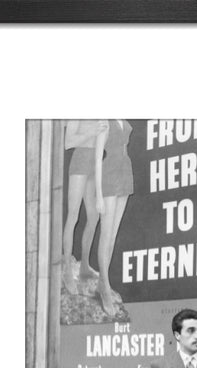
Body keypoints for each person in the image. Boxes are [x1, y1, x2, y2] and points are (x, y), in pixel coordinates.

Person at [94, 119, 134, 316]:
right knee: (106, 234)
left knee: (113, 236)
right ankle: (105, 287)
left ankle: (103, 282)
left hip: (125, 172)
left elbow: (124, 147)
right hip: (109, 174)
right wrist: (99, 195)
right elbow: (97, 158)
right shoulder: (104, 121)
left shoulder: (124, 121)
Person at [62, 120, 107, 295]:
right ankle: (67, 270)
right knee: (73, 216)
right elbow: (68, 143)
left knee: (94, 216)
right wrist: (92, 132)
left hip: (96, 163)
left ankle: (85, 266)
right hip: (80, 161)